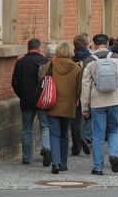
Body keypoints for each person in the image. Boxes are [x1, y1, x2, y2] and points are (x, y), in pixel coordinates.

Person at [80, 34, 118, 175]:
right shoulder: (117, 58)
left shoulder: (89, 61)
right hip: (115, 100)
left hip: (97, 102)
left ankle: (98, 167)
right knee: (114, 129)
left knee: (98, 134)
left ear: (94, 45)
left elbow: (85, 86)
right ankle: (114, 155)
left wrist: (84, 107)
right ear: (107, 43)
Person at [41, 42, 82, 174]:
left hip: (52, 103)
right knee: (64, 134)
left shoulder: (49, 65)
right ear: (71, 52)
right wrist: (76, 99)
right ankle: (63, 163)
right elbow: (79, 88)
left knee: (54, 134)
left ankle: (56, 163)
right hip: (68, 105)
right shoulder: (76, 68)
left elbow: (41, 81)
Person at [11, 38, 51, 166]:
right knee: (45, 126)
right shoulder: (45, 61)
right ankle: (46, 148)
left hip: (26, 101)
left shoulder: (21, 62)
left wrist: (22, 95)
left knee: (27, 129)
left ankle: (27, 157)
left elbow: (14, 83)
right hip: (43, 100)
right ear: (39, 48)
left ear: (28, 48)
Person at [71, 33, 93, 156]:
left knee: (75, 121)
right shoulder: (90, 57)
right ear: (86, 44)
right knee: (90, 117)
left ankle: (76, 147)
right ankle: (87, 138)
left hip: (73, 92)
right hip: (87, 90)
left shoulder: (70, 57)